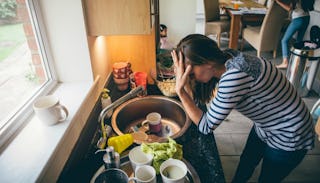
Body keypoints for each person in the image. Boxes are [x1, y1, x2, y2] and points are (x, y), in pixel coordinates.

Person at [171, 34, 314, 183]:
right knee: (247, 161)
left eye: (191, 74)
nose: (189, 78)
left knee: (267, 179)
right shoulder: (229, 56)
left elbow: (206, 126)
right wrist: (186, 81)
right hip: (266, 125)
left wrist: (180, 90)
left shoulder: (234, 77)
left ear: (207, 62)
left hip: (290, 133)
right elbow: (196, 102)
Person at [276, 0, 315, 69]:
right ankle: (297, 62)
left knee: (284, 40)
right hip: (307, 17)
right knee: (299, 41)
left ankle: (285, 63)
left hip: (298, 19)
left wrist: (278, 2)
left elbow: (290, 9)